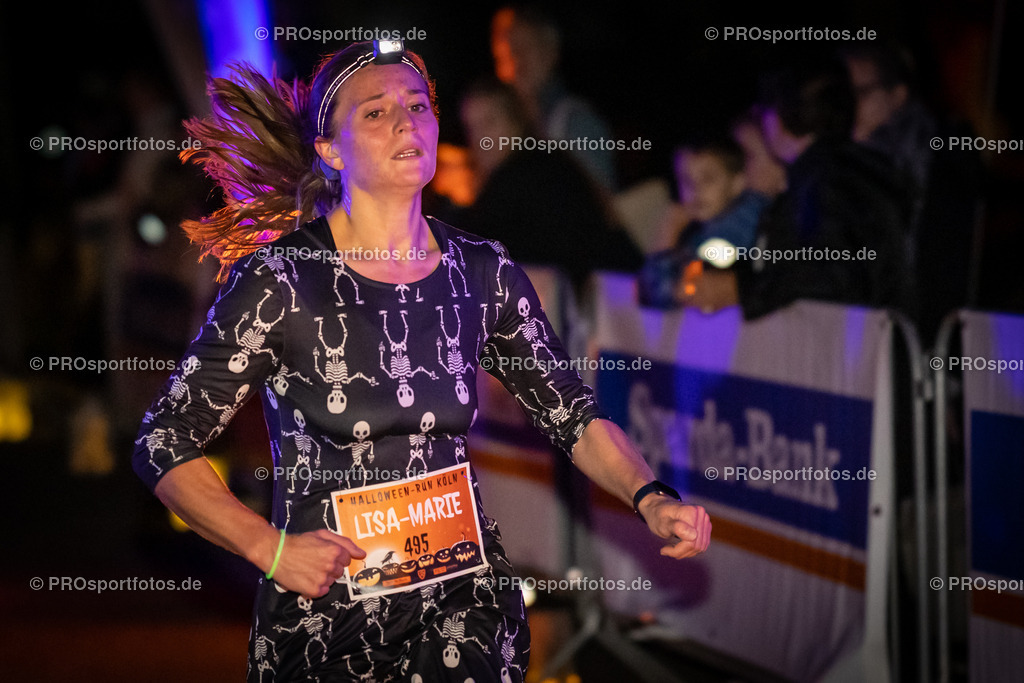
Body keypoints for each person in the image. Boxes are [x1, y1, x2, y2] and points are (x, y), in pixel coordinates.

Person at [131, 40, 710, 682]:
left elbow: (572, 415)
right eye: (376, 113)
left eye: (417, 106)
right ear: (330, 150)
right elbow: (164, 441)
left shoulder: (481, 272)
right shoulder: (282, 281)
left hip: (465, 604)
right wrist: (269, 549)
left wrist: (649, 496)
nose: (406, 123)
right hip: (330, 615)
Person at [682, 58, 914, 319]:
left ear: (779, 116)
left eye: (764, 113)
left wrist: (740, 289)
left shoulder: (826, 182)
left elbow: (830, 273)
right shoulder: (840, 173)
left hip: (865, 340)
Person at [449, 78, 641, 291]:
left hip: (613, 298)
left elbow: (464, 243)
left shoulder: (526, 173)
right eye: (471, 128)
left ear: (516, 121)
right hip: (620, 291)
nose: (479, 139)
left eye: (489, 123)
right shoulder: (547, 159)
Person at [491, 5, 617, 192]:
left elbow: (597, 203)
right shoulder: (508, 135)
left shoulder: (574, 123)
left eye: (525, 47)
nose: (516, 60)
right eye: (505, 54)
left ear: (551, 51)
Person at [638, 137, 768, 308]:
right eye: (686, 180)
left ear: (737, 183)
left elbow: (673, 292)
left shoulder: (742, 223)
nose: (695, 190)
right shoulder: (700, 227)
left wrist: (667, 236)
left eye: (708, 179)